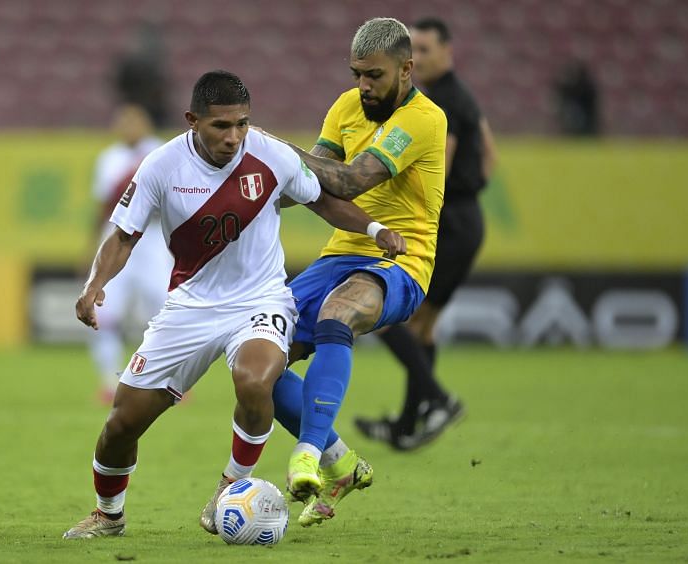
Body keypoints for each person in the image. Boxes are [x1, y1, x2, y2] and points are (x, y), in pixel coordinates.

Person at [62, 70, 406, 539]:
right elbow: (123, 235)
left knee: (255, 378)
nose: (234, 137)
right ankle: (108, 515)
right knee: (123, 424)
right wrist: (94, 284)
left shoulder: (272, 155)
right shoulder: (162, 166)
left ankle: (230, 488)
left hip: (260, 299)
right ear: (192, 121)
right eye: (221, 126)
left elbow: (323, 201)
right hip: (190, 306)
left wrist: (374, 231)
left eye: (242, 124)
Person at [260, 18, 446, 524]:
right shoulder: (346, 107)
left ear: (406, 70)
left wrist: (271, 148)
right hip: (340, 253)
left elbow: (346, 180)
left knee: (338, 313)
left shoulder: (425, 119)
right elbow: (310, 185)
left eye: (374, 76)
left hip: (401, 260)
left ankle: (307, 452)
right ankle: (340, 464)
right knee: (257, 359)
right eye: (356, 73)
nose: (363, 85)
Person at [354, 17, 497, 450]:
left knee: (390, 315)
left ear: (447, 52)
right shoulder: (460, 97)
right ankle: (409, 423)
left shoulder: (441, 105)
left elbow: (444, 163)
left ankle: (437, 400)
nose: (416, 57)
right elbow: (489, 152)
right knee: (423, 328)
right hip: (466, 218)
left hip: (448, 221)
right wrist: (473, 193)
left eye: (426, 49)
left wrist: (430, 203)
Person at [87, 104, 172, 404]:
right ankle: (109, 381)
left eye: (135, 121)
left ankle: (171, 382)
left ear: (147, 124)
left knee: (166, 311)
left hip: (151, 241)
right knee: (103, 313)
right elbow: (101, 207)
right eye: (124, 121)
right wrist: (89, 249)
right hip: (114, 238)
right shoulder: (108, 158)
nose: (129, 127)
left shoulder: (160, 152)